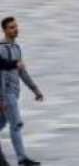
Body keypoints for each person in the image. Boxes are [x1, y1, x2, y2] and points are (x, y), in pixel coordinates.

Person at [0, 17, 43, 166]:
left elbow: (22, 72)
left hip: (14, 93)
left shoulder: (17, 48)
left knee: (1, 124)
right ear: (4, 30)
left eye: (16, 26)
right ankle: (22, 158)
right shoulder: (2, 49)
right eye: (11, 27)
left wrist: (34, 88)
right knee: (16, 124)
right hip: (6, 94)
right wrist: (1, 99)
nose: (15, 29)